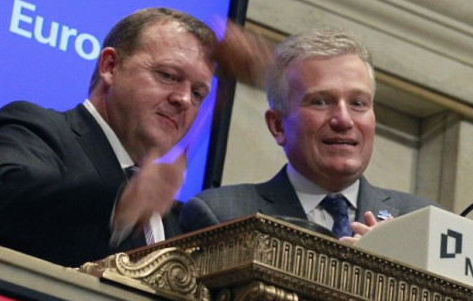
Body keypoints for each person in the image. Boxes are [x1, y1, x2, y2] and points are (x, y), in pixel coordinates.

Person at [0, 7, 271, 267]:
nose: (184, 100)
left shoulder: (175, 222)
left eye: (198, 92)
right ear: (110, 66)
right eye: (168, 76)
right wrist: (119, 204)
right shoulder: (36, 128)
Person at [179, 28, 439, 244]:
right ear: (277, 126)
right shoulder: (223, 216)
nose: (344, 120)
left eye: (358, 103)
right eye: (321, 102)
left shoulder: (424, 224)